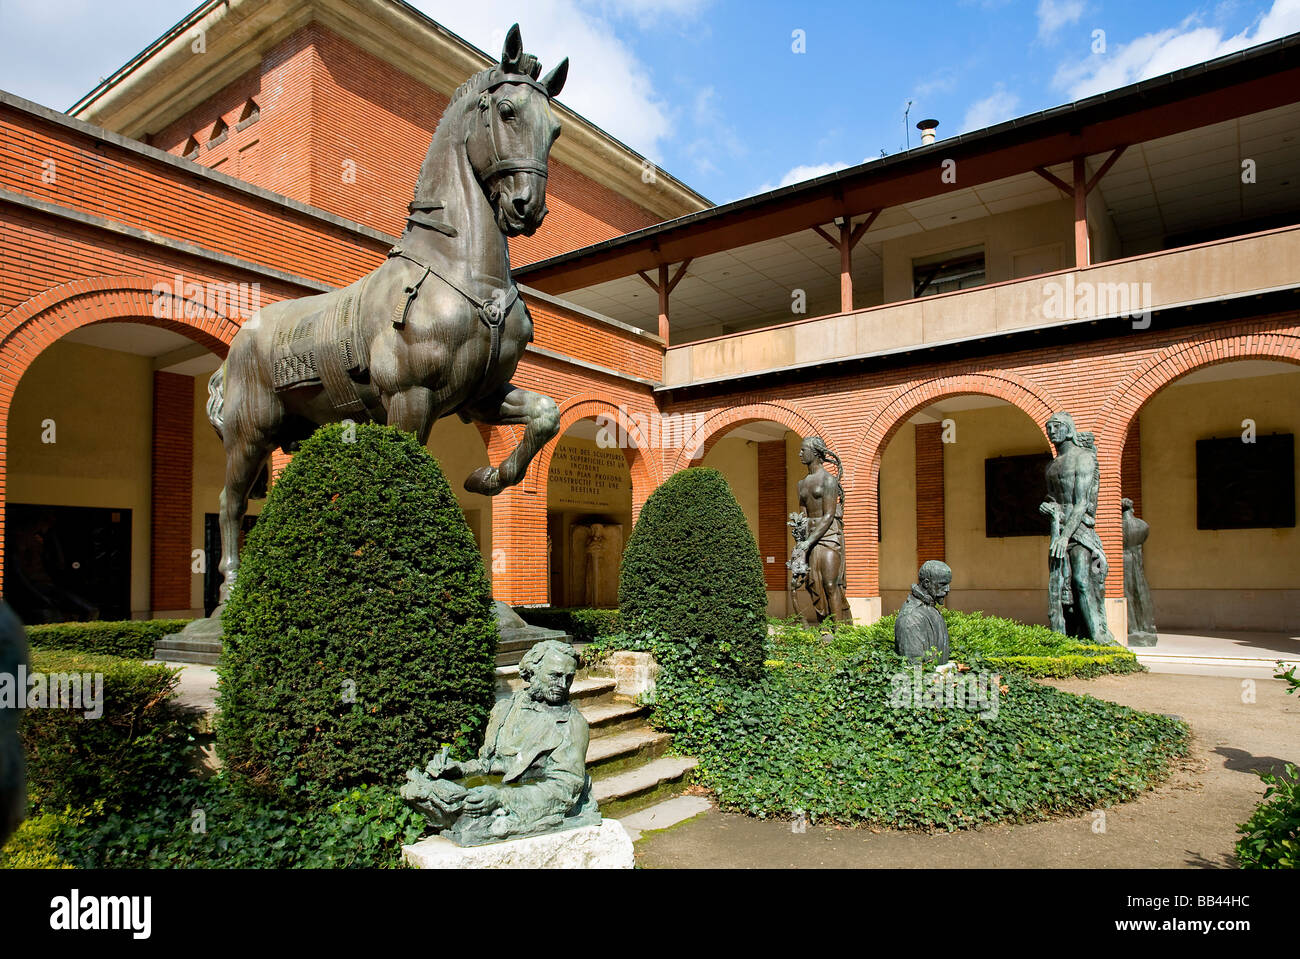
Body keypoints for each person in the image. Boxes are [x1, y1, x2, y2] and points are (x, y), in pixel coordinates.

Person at [401, 639, 598, 846]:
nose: (563, 685)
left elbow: (564, 789)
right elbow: (489, 763)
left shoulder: (572, 724)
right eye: (555, 676)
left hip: (523, 801)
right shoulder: (505, 708)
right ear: (532, 672)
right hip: (493, 792)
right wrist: (458, 769)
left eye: (569, 678)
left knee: (463, 811)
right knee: (419, 790)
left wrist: (502, 798)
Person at [1038, 412, 1117, 644]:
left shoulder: (1084, 458)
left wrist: (1065, 537)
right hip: (1059, 528)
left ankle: (1099, 636)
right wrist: (1047, 506)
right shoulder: (1052, 467)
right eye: (1049, 428)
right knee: (1061, 586)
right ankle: (1067, 636)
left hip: (1079, 530)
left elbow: (1082, 502)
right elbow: (1054, 498)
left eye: (1056, 427)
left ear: (1068, 429)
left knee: (1082, 582)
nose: (1052, 432)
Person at [791, 436, 852, 627]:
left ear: (815, 452)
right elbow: (802, 516)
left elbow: (828, 515)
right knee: (814, 585)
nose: (800, 454)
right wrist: (800, 547)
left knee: (831, 584)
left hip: (829, 536)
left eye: (803, 450)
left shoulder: (828, 480)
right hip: (809, 538)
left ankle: (840, 630)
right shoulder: (801, 484)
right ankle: (825, 627)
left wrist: (808, 542)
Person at [895, 560, 952, 664]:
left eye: (948, 584)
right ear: (926, 583)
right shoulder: (912, 617)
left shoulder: (930, 608)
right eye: (942, 584)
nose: (947, 589)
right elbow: (914, 667)